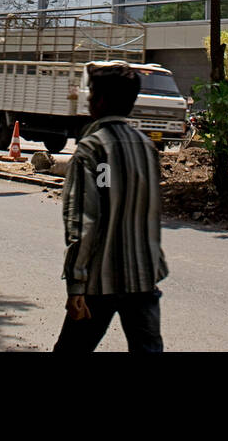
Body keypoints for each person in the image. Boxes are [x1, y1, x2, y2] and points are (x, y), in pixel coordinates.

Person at [54, 62, 167, 353]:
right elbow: (150, 213)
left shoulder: (91, 149)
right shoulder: (146, 147)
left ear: (101, 101)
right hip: (142, 278)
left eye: (91, 93)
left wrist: (76, 284)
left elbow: (83, 220)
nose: (88, 99)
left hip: (99, 283)